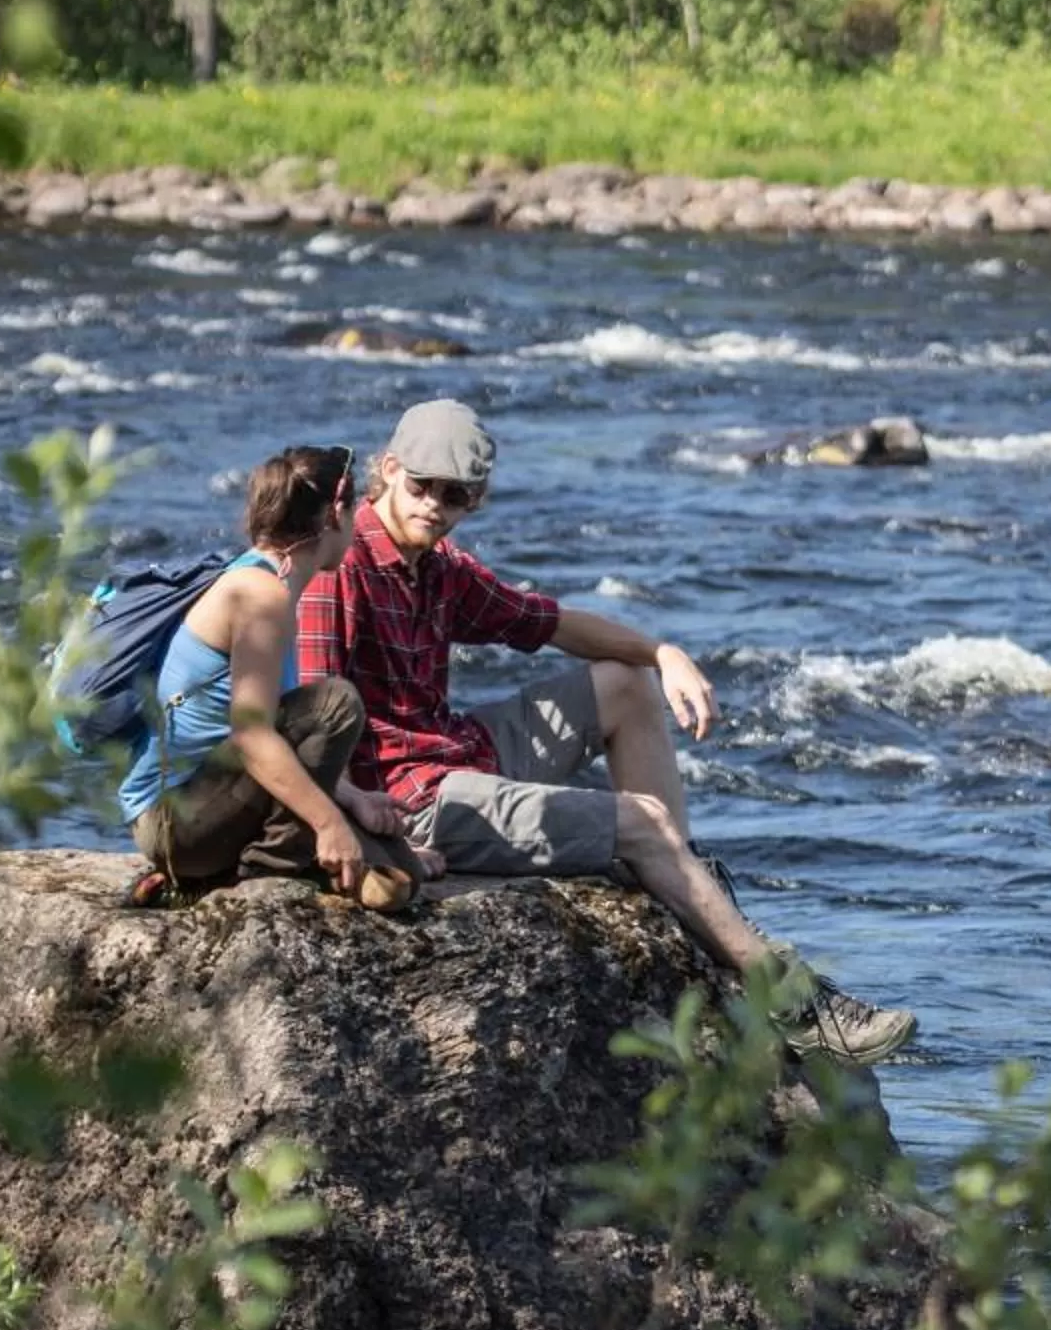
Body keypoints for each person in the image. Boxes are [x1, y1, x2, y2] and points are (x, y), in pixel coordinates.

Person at [297, 399, 914, 1064]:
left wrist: (661, 652)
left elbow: (550, 622)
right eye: (421, 487)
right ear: (388, 471)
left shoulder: (441, 568)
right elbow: (311, 720)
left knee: (625, 683)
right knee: (639, 822)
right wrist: (368, 834)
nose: (434, 506)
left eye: (456, 496)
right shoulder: (340, 571)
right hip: (410, 802)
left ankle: (688, 885)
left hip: (454, 752)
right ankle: (798, 1005)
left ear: (475, 499)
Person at [124, 443, 425, 907]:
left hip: (213, 803)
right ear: (333, 515)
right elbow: (252, 735)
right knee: (335, 703)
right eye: (356, 509)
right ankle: (266, 874)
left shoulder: (267, 581)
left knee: (404, 875)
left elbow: (283, 737)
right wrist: (328, 824)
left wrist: (349, 797)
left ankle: (226, 872)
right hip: (174, 821)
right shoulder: (260, 595)